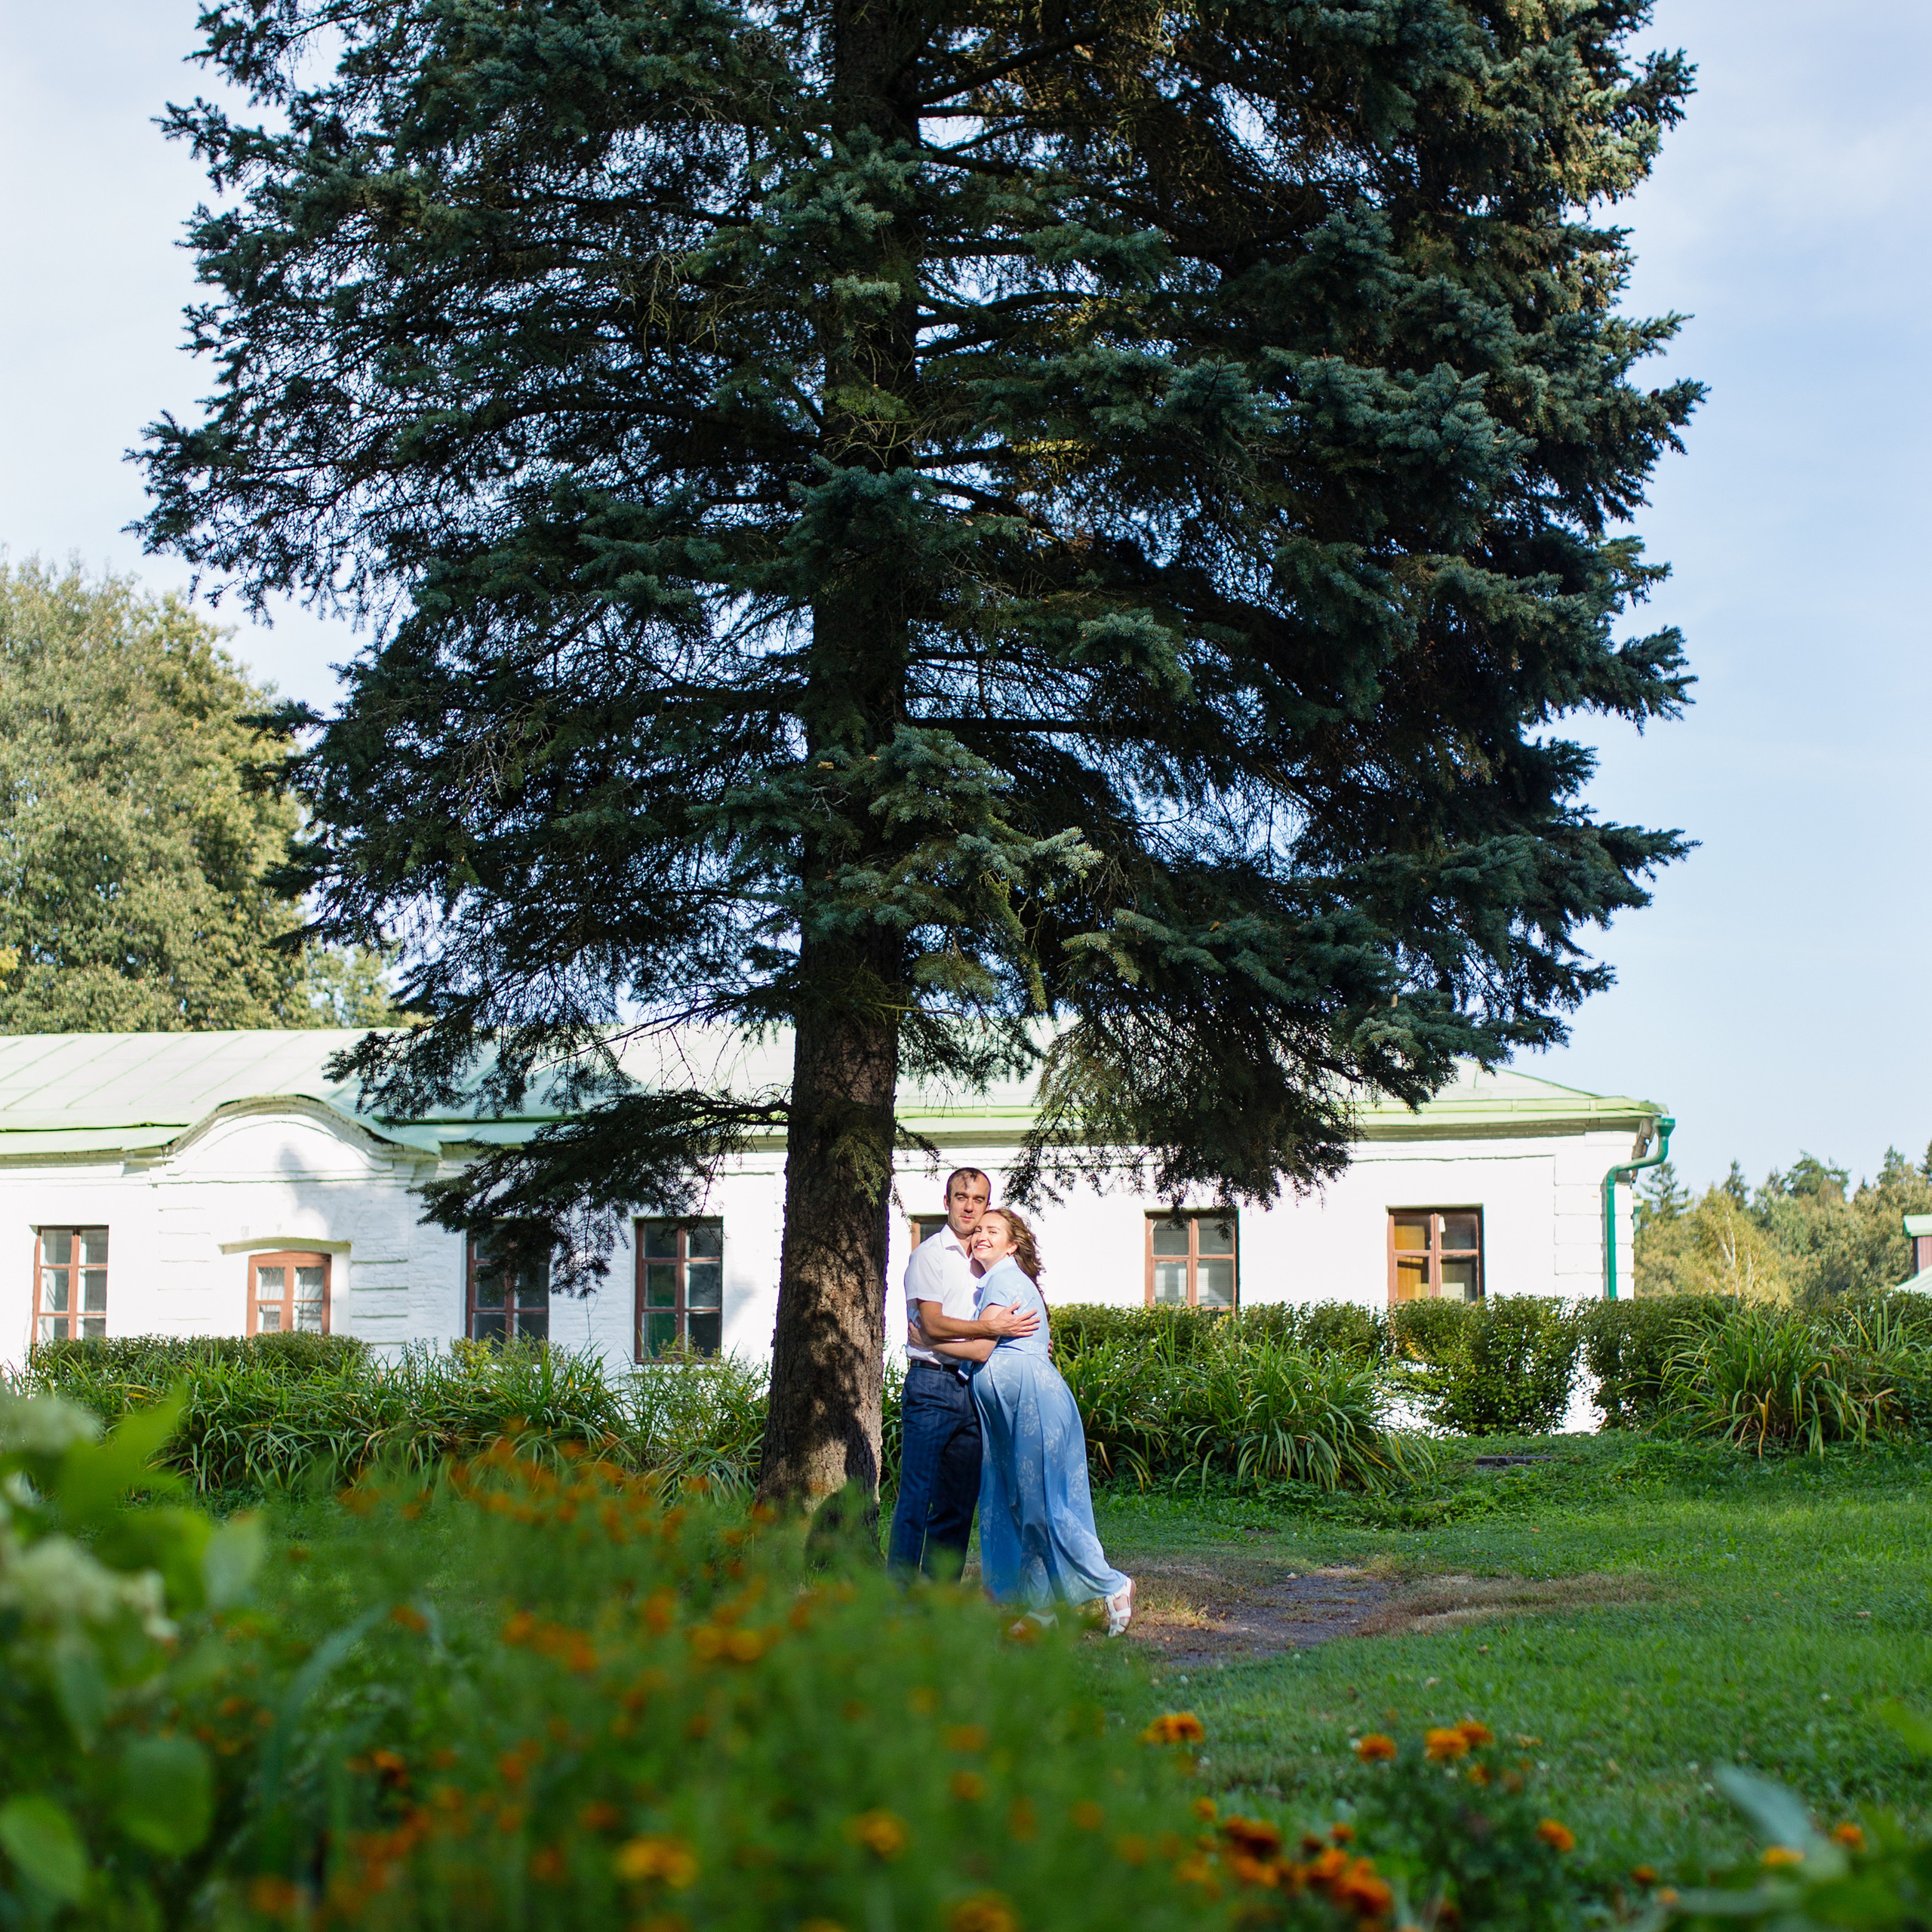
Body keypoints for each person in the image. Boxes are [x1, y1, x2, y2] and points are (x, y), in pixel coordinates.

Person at [967, 1208, 1134, 1634]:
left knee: (1043, 1506)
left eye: (992, 1230)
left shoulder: (1004, 1279)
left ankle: (1112, 1584)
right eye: (978, 1229)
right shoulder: (995, 1282)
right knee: (1027, 1504)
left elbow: (981, 1346)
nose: (981, 1235)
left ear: (1012, 1245)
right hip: (1017, 1407)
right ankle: (1042, 1609)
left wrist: (927, 1337)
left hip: (1032, 1403)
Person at [887, 1168, 1038, 1579]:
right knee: (916, 1497)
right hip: (932, 1385)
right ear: (947, 1202)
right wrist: (989, 1329)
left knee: (957, 1503)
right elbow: (931, 1325)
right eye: (961, 1198)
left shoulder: (987, 1260)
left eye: (978, 1200)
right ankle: (897, 1599)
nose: (969, 1207)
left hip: (974, 1389)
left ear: (986, 1204)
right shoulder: (929, 1255)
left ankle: (939, 1600)